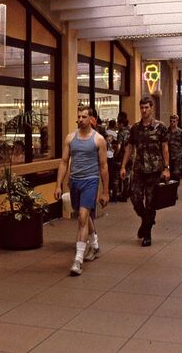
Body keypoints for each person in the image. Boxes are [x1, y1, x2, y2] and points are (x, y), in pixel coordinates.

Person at [54, 105, 109, 276]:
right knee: (81, 214)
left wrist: (106, 192)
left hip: (90, 182)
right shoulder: (70, 138)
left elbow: (104, 167)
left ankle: (78, 260)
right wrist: (58, 185)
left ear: (91, 119)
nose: (80, 119)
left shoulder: (98, 140)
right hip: (75, 182)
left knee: (82, 218)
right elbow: (64, 162)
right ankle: (95, 244)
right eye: (79, 116)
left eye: (84, 117)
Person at [120, 97, 170, 247]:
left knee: (150, 203)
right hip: (139, 170)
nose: (144, 110)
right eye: (142, 107)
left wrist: (166, 168)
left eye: (146, 107)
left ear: (151, 108)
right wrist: (123, 166)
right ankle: (146, 220)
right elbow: (129, 148)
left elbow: (165, 148)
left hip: (154, 171)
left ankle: (147, 233)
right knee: (135, 199)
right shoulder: (135, 128)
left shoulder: (160, 127)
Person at [168, 114, 182, 186]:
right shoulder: (167, 131)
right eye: (171, 121)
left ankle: (176, 187)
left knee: (176, 173)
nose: (172, 123)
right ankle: (170, 188)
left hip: (177, 156)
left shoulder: (181, 132)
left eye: (174, 121)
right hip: (169, 155)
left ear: (177, 122)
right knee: (169, 173)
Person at [115, 112, 131, 202]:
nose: (117, 125)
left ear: (121, 124)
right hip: (130, 157)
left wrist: (115, 155)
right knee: (127, 176)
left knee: (118, 176)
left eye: (118, 123)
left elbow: (119, 146)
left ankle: (117, 194)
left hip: (121, 157)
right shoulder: (130, 130)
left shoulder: (121, 133)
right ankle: (125, 194)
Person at [105, 120, 118, 201]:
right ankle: (111, 191)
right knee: (111, 174)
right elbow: (117, 146)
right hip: (111, 155)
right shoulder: (115, 134)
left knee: (106, 173)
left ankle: (106, 190)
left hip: (105, 155)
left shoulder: (105, 133)